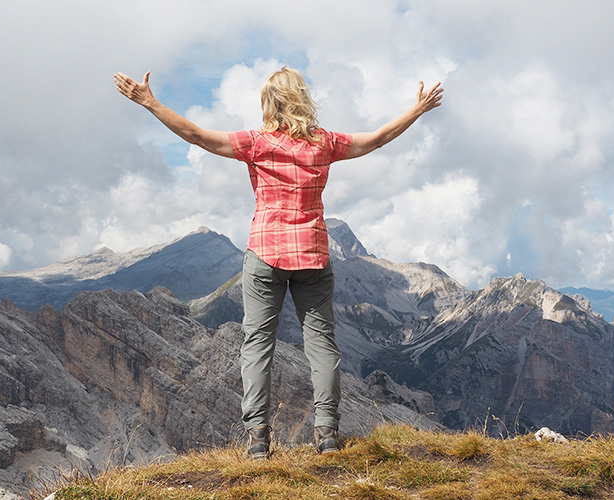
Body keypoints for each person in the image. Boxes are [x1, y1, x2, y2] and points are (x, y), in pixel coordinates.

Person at [114, 66, 443, 459]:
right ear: (303, 98)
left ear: (268, 103)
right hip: (313, 255)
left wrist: (149, 102)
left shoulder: (256, 143)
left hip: (265, 253)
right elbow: (376, 139)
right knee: (321, 344)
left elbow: (196, 136)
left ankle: (257, 440)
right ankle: (327, 435)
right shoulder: (325, 143)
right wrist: (416, 109)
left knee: (257, 344)